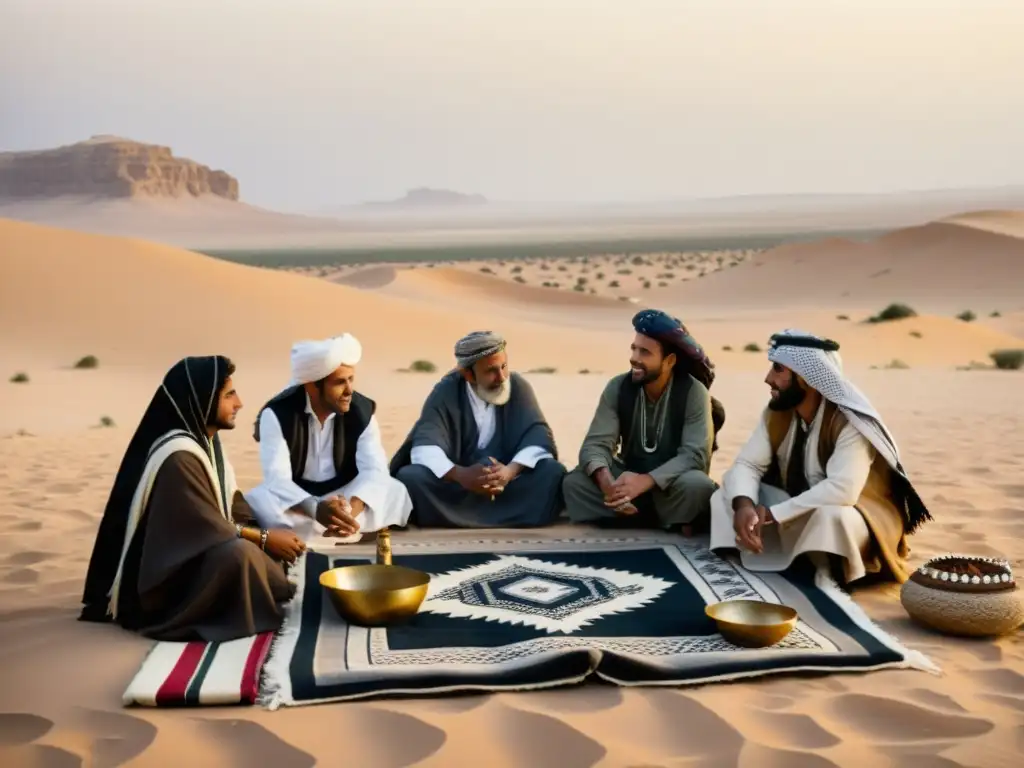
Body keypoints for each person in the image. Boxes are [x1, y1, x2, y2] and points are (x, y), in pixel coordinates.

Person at [79, 356, 300, 642]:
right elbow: (204, 525)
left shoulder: (206, 445)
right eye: (229, 395)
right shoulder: (178, 456)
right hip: (167, 581)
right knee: (240, 556)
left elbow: (231, 505)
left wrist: (265, 528)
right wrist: (265, 538)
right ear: (204, 400)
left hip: (201, 553)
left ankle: (265, 584)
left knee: (266, 532)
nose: (239, 403)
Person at [708, 329, 933, 585]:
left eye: (778, 369)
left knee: (832, 518)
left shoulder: (848, 423)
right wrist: (744, 505)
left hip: (853, 516)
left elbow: (842, 490)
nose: (768, 378)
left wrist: (772, 514)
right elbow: (748, 464)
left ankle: (829, 571)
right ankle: (767, 553)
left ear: (805, 379)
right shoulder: (777, 413)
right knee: (725, 496)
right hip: (794, 507)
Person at [562, 309, 724, 534]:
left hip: (673, 485)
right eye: (634, 349)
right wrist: (607, 483)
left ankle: (631, 516)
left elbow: (694, 455)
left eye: (645, 352)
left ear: (669, 361)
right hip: (626, 479)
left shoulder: (693, 392)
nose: (634, 358)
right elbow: (595, 445)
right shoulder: (618, 387)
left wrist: (646, 481)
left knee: (698, 487)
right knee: (574, 482)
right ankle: (651, 515)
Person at [245, 333, 412, 543]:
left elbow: (374, 470)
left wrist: (349, 514)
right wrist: (316, 510)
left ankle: (343, 529)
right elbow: (277, 479)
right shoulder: (278, 414)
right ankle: (347, 532)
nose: (349, 390)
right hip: (301, 501)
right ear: (312, 386)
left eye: (351, 379)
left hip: (346, 497)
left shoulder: (361, 411)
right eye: (340, 382)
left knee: (395, 490)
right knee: (259, 501)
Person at [390, 330, 566, 527]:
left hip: (507, 486)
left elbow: (538, 437)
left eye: (504, 366)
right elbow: (425, 447)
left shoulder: (517, 386)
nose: (501, 377)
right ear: (468, 374)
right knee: (411, 477)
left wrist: (509, 472)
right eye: (491, 370)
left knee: (552, 472)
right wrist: (462, 475)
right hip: (460, 487)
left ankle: (458, 519)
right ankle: (505, 516)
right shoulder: (446, 391)